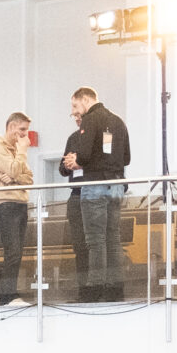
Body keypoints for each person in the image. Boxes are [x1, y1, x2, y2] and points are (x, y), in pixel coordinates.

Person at [57, 87, 129, 301]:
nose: (75, 112)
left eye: (75, 106)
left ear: (86, 100)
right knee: (113, 239)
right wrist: (80, 161)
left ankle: (94, 288)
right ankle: (115, 288)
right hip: (115, 184)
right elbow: (125, 157)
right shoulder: (116, 121)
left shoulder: (91, 119)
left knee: (95, 241)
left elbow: (86, 155)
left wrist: (77, 161)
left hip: (95, 184)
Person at [0, 112, 34, 306]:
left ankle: (10, 294)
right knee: (12, 251)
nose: (24, 135)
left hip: (20, 204)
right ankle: (7, 296)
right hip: (4, 205)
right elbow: (14, 169)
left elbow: (29, 179)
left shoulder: (14, 151)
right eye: (22, 130)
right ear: (11, 127)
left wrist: (14, 179)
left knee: (17, 252)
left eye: (26, 131)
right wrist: (22, 153)